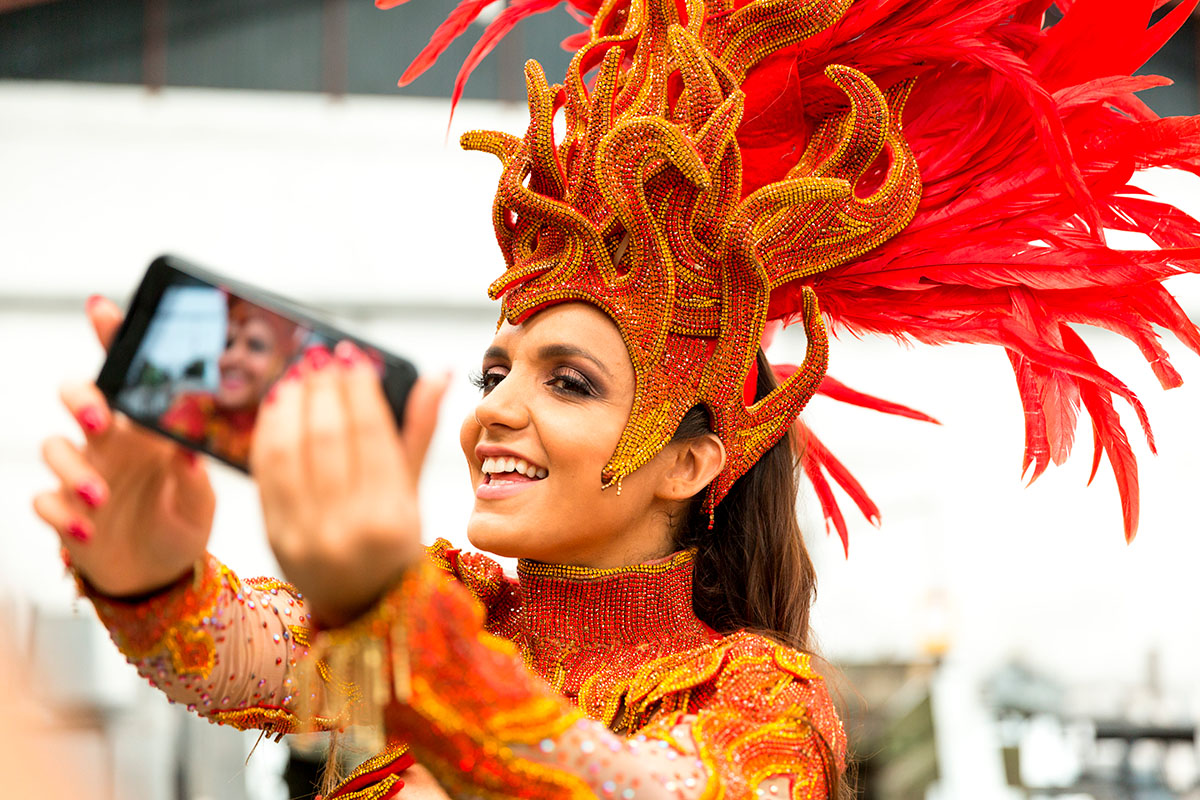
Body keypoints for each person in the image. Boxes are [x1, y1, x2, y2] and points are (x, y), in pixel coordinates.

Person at [32, 0, 1200, 798]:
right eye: (498, 369)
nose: (497, 407)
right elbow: (234, 652)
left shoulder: (760, 706)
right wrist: (144, 557)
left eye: (569, 379)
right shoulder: (458, 606)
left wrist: (392, 617)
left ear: (697, 456)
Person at [159, 295, 302, 465]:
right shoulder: (192, 412)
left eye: (255, 346)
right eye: (228, 344)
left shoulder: (295, 439)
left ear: (283, 365)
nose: (232, 358)